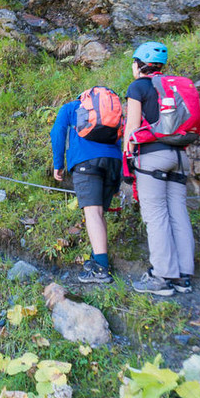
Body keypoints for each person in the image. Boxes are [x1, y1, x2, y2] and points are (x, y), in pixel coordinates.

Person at [124, 41, 195, 296]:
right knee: (178, 213)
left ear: (139, 64)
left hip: (153, 158)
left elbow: (132, 128)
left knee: (156, 216)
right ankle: (183, 277)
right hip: (180, 157)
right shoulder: (174, 86)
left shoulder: (139, 86)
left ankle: (162, 277)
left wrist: (127, 160)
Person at [50, 90, 123, 284]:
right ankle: (98, 258)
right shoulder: (110, 110)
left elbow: (57, 131)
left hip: (86, 162)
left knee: (92, 213)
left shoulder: (70, 108)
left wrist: (58, 164)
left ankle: (100, 268)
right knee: (98, 214)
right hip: (114, 162)